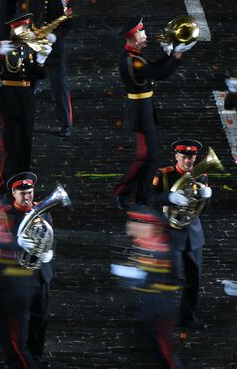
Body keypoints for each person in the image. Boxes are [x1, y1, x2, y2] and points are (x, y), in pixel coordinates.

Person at [113, 16, 195, 209]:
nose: (146, 35)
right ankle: (124, 193)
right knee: (146, 157)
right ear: (133, 36)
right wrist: (176, 55)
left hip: (144, 110)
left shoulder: (135, 56)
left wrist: (167, 55)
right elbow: (160, 73)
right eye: (142, 32)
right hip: (140, 113)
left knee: (150, 157)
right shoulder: (133, 61)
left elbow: (154, 67)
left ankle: (143, 194)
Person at [0, 172, 54, 369]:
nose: (28, 197)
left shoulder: (43, 211)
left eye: (30, 192)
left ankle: (36, 356)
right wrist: (17, 245)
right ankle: (16, 359)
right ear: (14, 193)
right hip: (19, 278)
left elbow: (50, 235)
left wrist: (49, 253)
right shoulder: (5, 215)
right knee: (20, 323)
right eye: (23, 193)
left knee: (40, 318)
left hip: (41, 274)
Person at [150, 139, 212, 330]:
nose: (188, 161)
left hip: (192, 234)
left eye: (192, 157)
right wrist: (168, 197)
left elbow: (202, 209)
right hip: (170, 235)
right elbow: (149, 198)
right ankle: (161, 317)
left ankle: (187, 317)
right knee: (170, 277)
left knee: (194, 278)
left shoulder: (200, 176)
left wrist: (206, 197)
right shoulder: (164, 174)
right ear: (176, 156)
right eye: (184, 157)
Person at [0, 13, 52, 197]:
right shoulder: (2, 46)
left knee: (26, 143)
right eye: (23, 28)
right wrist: (1, 55)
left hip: (26, 98)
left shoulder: (31, 49)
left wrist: (41, 60)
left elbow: (37, 75)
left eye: (27, 28)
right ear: (14, 30)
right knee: (11, 146)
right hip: (9, 98)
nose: (27, 31)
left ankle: (22, 182)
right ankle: (5, 185)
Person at [125, 206, 181, 369]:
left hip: (159, 311)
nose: (131, 229)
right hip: (148, 310)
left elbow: (168, 279)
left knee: (165, 354)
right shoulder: (144, 244)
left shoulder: (162, 250)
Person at [29, 0, 74, 137]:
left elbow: (68, 24)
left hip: (54, 47)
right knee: (28, 83)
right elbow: (25, 13)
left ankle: (66, 123)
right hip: (35, 44)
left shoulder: (62, 2)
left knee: (60, 85)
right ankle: (20, 116)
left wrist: (56, 36)